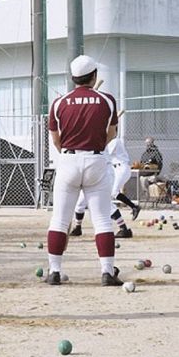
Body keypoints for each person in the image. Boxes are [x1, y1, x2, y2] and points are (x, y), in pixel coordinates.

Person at [45, 55, 122, 287]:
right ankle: (107, 272)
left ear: (73, 78)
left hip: (68, 159)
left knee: (59, 220)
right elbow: (112, 134)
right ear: (94, 75)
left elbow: (56, 140)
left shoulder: (59, 102)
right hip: (97, 159)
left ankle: (54, 271)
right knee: (102, 220)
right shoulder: (107, 100)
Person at [69, 134, 140, 239]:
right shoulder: (96, 141)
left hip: (105, 171)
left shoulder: (110, 141)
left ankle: (124, 228)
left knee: (105, 201)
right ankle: (78, 228)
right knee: (80, 203)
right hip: (94, 172)